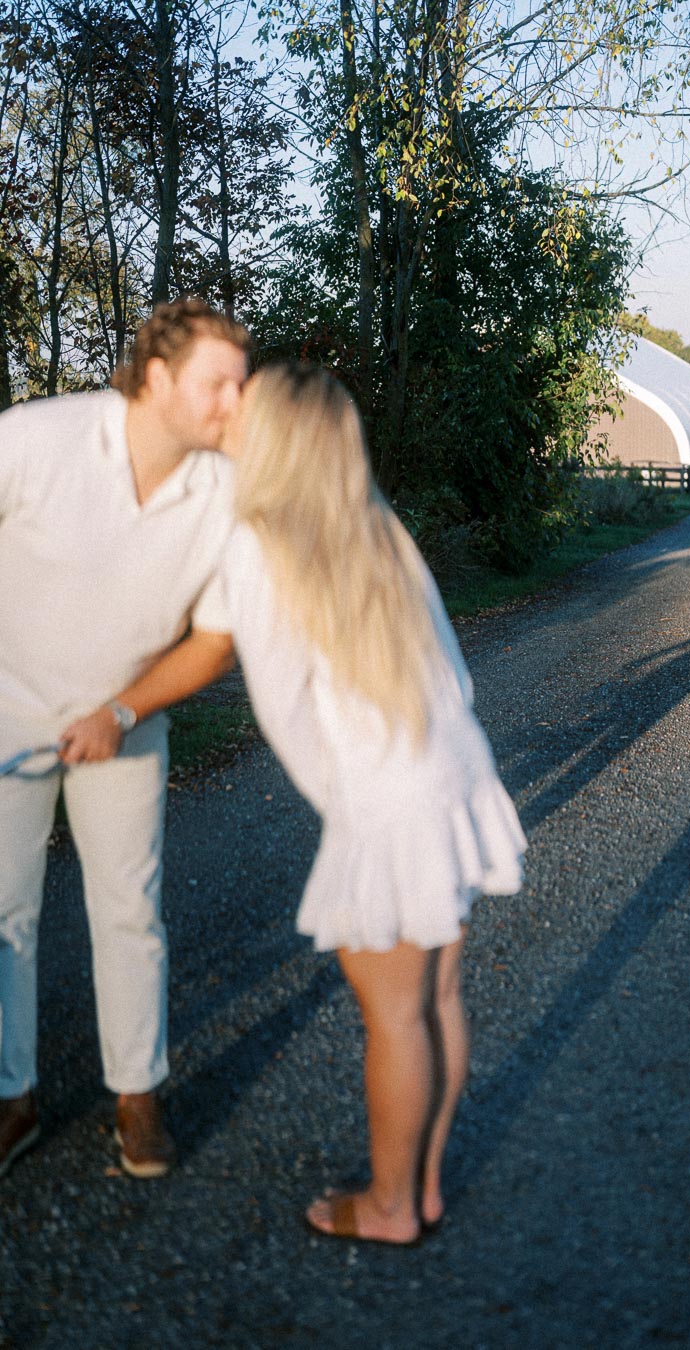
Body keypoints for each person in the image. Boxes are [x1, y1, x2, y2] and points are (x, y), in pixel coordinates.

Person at [220, 363, 526, 1246]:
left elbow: (284, 717)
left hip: (394, 801)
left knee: (394, 1013)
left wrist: (349, 819)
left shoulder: (258, 540)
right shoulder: (378, 526)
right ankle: (422, 1186)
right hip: (457, 771)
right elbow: (454, 665)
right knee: (438, 996)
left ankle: (391, 1207)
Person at [0, 297, 250, 1180]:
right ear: (156, 378)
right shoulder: (36, 438)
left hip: (125, 719)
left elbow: (217, 640)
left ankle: (137, 1098)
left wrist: (119, 715)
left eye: (242, 384)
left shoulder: (226, 488)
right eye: (218, 384)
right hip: (7, 711)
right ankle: (13, 1099)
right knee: (4, 915)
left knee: (129, 909)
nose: (236, 401)